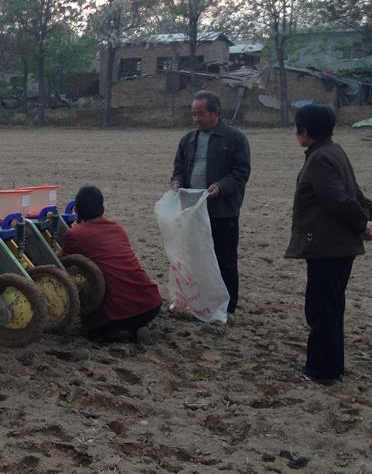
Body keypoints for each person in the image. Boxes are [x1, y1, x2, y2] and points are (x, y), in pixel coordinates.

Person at [285, 104, 372, 386]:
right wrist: (365, 220)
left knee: (322, 309)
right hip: (338, 247)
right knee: (332, 307)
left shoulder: (319, 159)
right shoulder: (333, 151)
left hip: (328, 247)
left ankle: (320, 372)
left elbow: (338, 199)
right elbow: (355, 193)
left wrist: (362, 224)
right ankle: (331, 367)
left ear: (304, 131)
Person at [171, 91, 250, 314]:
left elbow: (241, 172)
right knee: (196, 257)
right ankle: (200, 300)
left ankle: (228, 306)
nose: (196, 119)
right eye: (194, 114)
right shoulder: (188, 140)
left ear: (215, 113)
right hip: (193, 211)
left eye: (201, 114)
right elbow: (178, 168)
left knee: (224, 259)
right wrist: (176, 182)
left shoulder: (234, 139)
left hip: (222, 212)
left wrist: (221, 186)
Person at [63, 185, 162, 344]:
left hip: (114, 314)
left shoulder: (74, 234)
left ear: (77, 210)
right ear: (102, 207)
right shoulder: (117, 228)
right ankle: (137, 327)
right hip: (150, 304)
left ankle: (117, 333)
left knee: (92, 332)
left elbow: (66, 270)